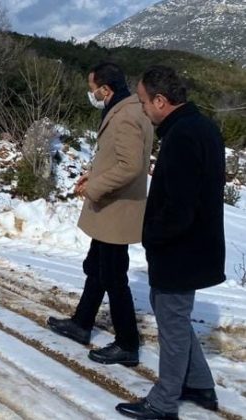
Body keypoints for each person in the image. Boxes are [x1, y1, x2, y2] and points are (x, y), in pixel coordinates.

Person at [116, 66, 225, 420]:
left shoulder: (181, 137)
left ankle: (163, 403)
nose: (144, 109)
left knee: (173, 325)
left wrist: (153, 237)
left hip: (181, 249)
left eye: (145, 101)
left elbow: (180, 206)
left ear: (161, 101)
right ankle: (199, 385)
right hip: (196, 246)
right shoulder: (202, 127)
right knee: (174, 317)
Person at [47, 62, 153, 367]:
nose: (91, 94)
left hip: (116, 207)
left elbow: (131, 166)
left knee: (113, 276)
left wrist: (95, 186)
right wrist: (92, 174)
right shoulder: (124, 108)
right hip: (110, 205)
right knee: (97, 266)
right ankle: (82, 323)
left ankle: (127, 343)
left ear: (105, 89)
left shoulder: (128, 115)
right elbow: (115, 157)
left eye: (93, 89)